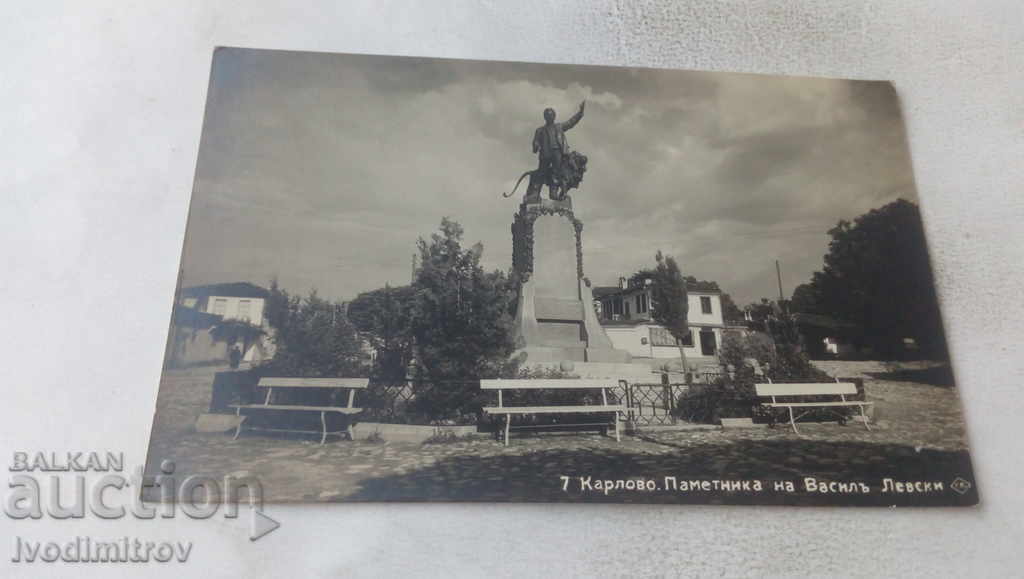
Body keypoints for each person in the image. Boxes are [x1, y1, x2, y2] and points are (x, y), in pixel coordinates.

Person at [532, 101, 585, 198]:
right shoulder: (540, 130)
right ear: (545, 117)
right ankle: (535, 193)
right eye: (547, 115)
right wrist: (536, 145)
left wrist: (580, 113)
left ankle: (553, 193)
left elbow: (571, 122)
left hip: (557, 153)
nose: (549, 117)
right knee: (541, 173)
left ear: (554, 116)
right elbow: (535, 141)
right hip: (545, 154)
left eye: (551, 115)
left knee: (556, 173)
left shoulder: (559, 127)